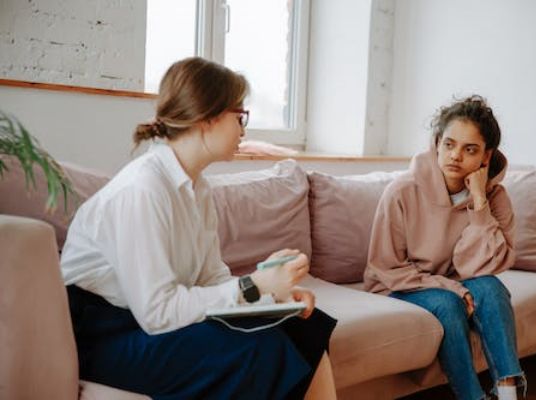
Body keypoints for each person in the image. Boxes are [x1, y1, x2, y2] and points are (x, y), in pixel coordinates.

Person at [60, 57, 337, 400]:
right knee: (260, 350)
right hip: (102, 334)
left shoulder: (198, 189)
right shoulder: (143, 189)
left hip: (141, 320)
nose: (243, 131)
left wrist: (271, 295)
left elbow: (211, 279)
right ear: (208, 118)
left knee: (302, 324)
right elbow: (157, 313)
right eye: (239, 117)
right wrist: (252, 285)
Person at [364, 95, 525, 400]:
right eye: (449, 144)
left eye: (470, 149)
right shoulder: (401, 192)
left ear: (487, 156)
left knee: (491, 288)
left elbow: (488, 267)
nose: (455, 156)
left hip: (454, 283)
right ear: (437, 143)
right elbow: (385, 267)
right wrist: (453, 288)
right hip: (399, 286)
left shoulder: (495, 198)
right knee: (448, 304)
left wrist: (479, 203)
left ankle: (509, 394)